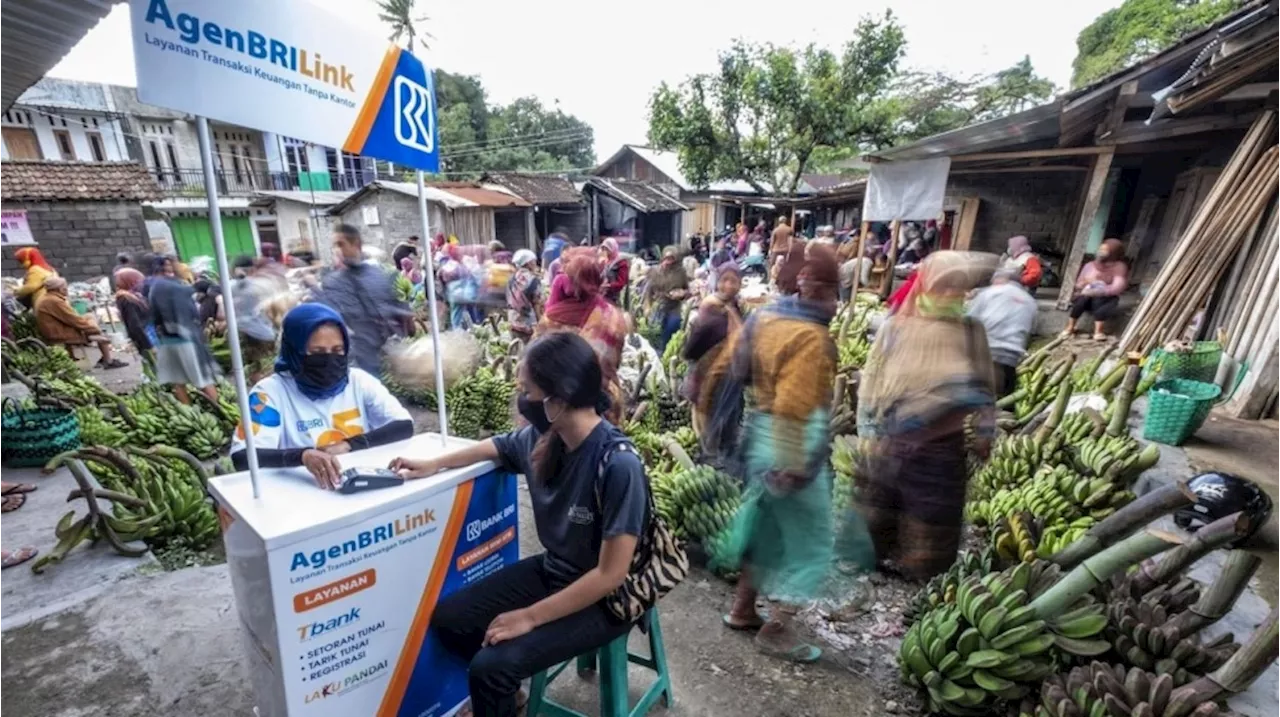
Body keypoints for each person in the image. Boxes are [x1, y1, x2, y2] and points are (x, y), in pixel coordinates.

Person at [390, 332, 657, 717]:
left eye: (527, 390)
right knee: (451, 619)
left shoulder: (618, 465)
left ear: (558, 400)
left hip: (605, 599)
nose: (521, 400)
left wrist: (529, 617)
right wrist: (434, 463)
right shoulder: (546, 437)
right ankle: (508, 697)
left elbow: (610, 575)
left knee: (490, 668)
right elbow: (498, 446)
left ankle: (499, 690)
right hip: (557, 571)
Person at [704, 245, 842, 662]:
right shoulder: (811, 338)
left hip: (761, 433)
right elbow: (795, 406)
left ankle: (742, 610)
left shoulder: (767, 316)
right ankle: (778, 628)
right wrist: (795, 465)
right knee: (811, 540)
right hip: (790, 440)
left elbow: (732, 366)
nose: (839, 302)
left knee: (763, 528)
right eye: (837, 292)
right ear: (820, 288)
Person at [857, 251, 998, 580]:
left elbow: (986, 384)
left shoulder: (970, 330)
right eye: (943, 286)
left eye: (958, 288)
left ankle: (925, 576)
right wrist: (867, 428)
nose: (950, 294)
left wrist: (984, 431)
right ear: (924, 286)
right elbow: (873, 376)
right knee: (879, 509)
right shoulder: (895, 326)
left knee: (934, 514)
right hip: (892, 436)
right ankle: (872, 561)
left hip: (942, 443)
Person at [230, 304, 414, 480]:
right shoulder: (269, 393)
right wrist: (302, 456)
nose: (328, 359)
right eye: (317, 352)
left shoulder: (358, 382)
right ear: (294, 352)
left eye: (337, 350)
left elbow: (404, 425)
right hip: (299, 496)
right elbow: (242, 457)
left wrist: (350, 445)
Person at [537, 249, 630, 424]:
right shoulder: (612, 316)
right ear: (599, 278)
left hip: (558, 409)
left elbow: (535, 365)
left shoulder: (551, 319)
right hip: (603, 406)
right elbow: (614, 363)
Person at [312, 224, 411, 373]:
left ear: (356, 244)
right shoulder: (332, 282)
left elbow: (388, 305)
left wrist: (404, 314)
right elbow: (329, 317)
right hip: (351, 359)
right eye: (334, 246)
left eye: (341, 244)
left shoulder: (377, 275)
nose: (337, 251)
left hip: (378, 352)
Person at [683, 264, 742, 442]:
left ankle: (720, 446)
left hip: (729, 372)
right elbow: (699, 339)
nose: (729, 286)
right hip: (708, 368)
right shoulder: (711, 305)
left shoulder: (735, 305)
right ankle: (708, 449)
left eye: (734, 281)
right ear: (718, 282)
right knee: (707, 410)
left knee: (726, 414)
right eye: (725, 280)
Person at [967, 267, 1038, 398]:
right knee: (1003, 401)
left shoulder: (989, 293)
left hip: (985, 352)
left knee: (975, 398)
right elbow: (1031, 333)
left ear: (1001, 279)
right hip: (1011, 358)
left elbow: (970, 320)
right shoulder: (1031, 302)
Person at [151, 271, 219, 403]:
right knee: (202, 379)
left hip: (167, 343)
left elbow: (155, 321)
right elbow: (195, 318)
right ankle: (218, 409)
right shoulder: (182, 297)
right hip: (187, 342)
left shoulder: (156, 296)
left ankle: (189, 412)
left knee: (178, 382)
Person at [34, 277, 128, 369]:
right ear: (59, 289)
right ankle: (107, 359)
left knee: (89, 317)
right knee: (96, 331)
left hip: (57, 328)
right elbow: (73, 319)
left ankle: (98, 344)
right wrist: (93, 329)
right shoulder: (54, 301)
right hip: (57, 332)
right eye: (65, 287)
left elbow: (71, 318)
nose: (67, 289)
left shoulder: (48, 298)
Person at [1065, 238, 1129, 341]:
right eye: (1100, 249)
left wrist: (1101, 290)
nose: (1101, 252)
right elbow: (1078, 284)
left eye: (1105, 250)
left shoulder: (1119, 267)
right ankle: (1070, 327)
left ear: (1113, 252)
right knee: (1082, 300)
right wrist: (1087, 283)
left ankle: (1098, 332)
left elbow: (1118, 287)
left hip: (1106, 298)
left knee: (1101, 304)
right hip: (1087, 296)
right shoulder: (1090, 265)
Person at [642, 247, 690, 351]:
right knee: (655, 333)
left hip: (674, 306)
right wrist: (647, 307)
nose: (668, 262)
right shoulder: (654, 271)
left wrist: (682, 293)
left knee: (672, 327)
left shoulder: (680, 273)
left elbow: (687, 290)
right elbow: (647, 292)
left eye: (671, 259)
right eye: (666, 258)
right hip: (658, 306)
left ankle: (666, 352)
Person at [113, 268, 154, 364]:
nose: (140, 284)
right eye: (137, 281)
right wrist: (148, 345)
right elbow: (134, 324)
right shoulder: (126, 299)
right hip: (146, 338)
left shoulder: (133, 296)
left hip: (148, 335)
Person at [507, 250, 543, 341]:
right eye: (534, 261)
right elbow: (537, 303)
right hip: (529, 324)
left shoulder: (511, 278)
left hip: (513, 320)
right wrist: (540, 323)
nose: (535, 263)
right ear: (528, 263)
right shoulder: (533, 280)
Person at [598, 238, 629, 305]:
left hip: (615, 298)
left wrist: (608, 286)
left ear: (612, 249)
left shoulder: (621, 263)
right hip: (603, 297)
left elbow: (622, 282)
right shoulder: (604, 261)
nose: (604, 251)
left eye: (606, 249)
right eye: (603, 249)